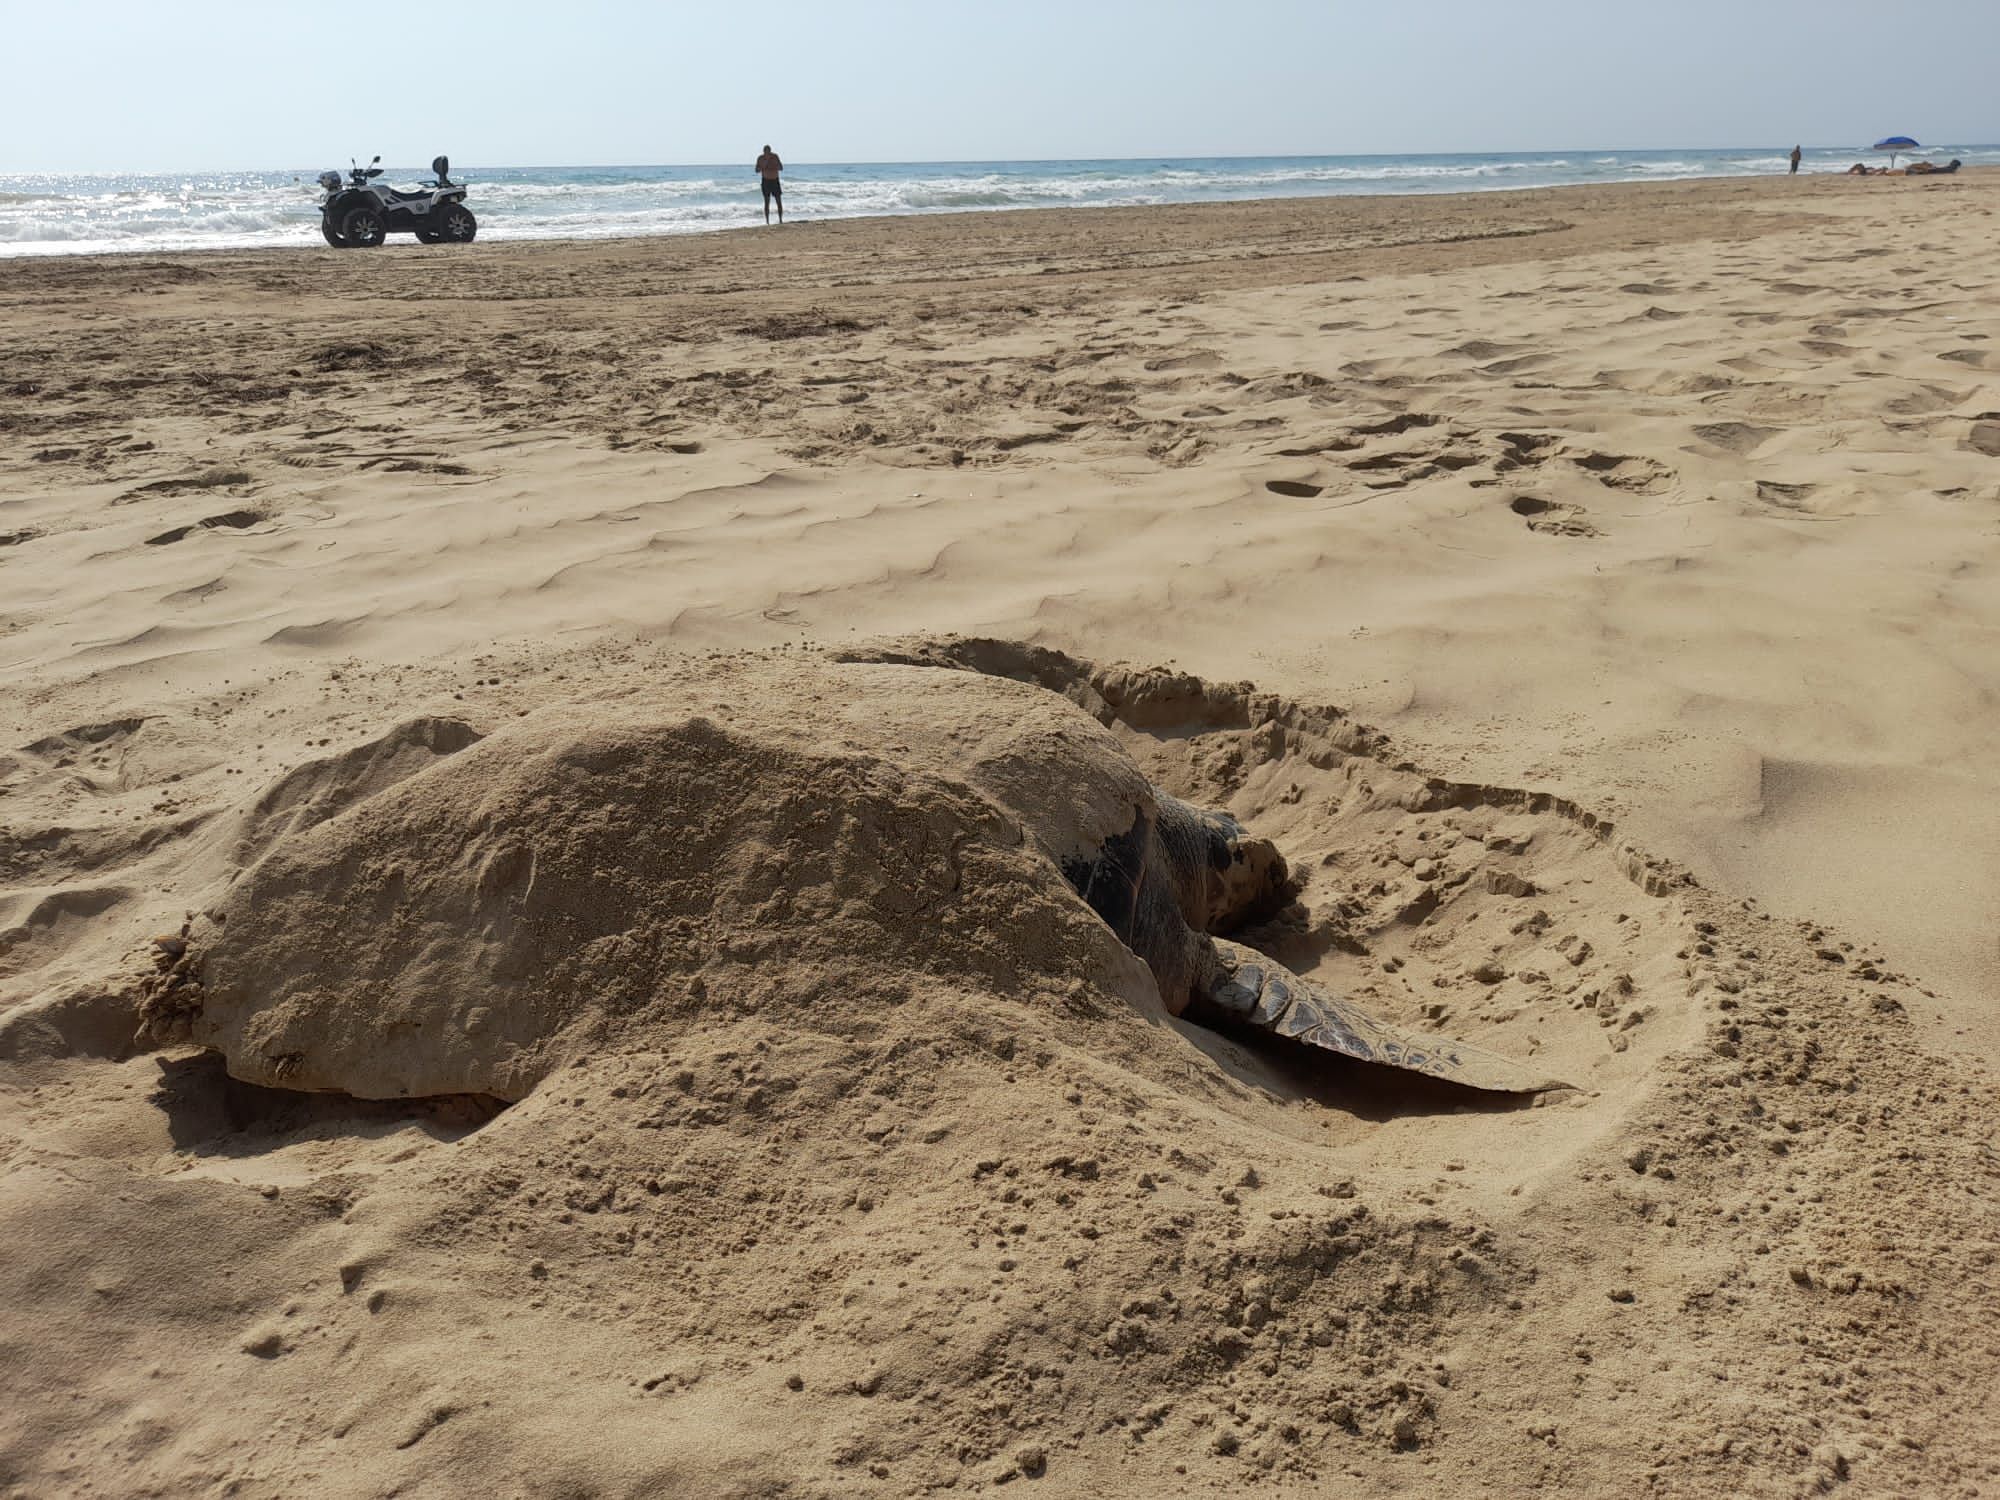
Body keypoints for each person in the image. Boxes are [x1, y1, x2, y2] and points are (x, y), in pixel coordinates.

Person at [755, 145, 784, 224]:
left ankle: (780, 219)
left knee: (778, 201)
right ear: (763, 151)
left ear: (770, 151)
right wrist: (763, 167)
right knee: (767, 201)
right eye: (765, 152)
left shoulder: (775, 157)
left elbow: (781, 168)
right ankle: (767, 221)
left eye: (768, 151)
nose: (767, 153)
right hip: (766, 181)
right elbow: (756, 170)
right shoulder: (760, 158)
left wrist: (774, 166)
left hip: (775, 180)